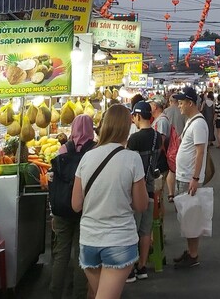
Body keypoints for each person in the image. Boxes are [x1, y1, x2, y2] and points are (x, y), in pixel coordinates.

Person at [72, 104, 148, 299]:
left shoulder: (87, 157)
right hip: (119, 241)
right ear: (126, 128)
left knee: (99, 293)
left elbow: (76, 204)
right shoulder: (132, 159)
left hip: (89, 240)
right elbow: (141, 205)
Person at [49, 114, 95, 299]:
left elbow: (53, 180)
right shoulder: (94, 150)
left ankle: (55, 293)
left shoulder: (62, 150)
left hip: (62, 208)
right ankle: (79, 293)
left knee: (61, 253)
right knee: (80, 253)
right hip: (85, 208)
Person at [172, 86, 209, 269]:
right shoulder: (190, 121)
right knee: (186, 217)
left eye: (181, 102)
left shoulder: (199, 124)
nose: (179, 106)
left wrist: (195, 177)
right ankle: (190, 251)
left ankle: (193, 255)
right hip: (184, 176)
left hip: (189, 178)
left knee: (191, 217)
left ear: (190, 103)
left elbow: (200, 152)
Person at [126, 101, 163, 282]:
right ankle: (142, 267)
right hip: (150, 189)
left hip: (135, 191)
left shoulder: (134, 140)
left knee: (132, 229)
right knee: (145, 230)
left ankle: (131, 268)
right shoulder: (158, 137)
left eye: (133, 116)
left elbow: (128, 166)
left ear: (138, 116)